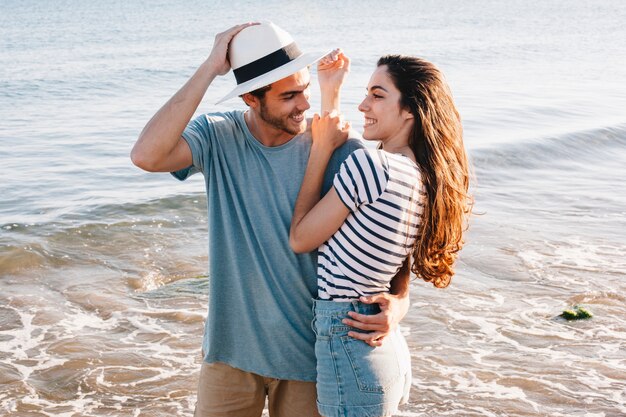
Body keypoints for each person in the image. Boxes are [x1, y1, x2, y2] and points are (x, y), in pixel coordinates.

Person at [130, 22, 411, 417]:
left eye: (305, 89)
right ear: (251, 98)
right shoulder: (216, 137)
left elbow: (393, 242)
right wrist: (211, 67)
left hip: (309, 360)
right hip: (228, 356)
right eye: (289, 96)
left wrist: (399, 302)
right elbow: (146, 155)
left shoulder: (333, 147)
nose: (304, 105)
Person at [289, 53, 472, 417]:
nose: (364, 105)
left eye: (377, 95)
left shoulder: (373, 166)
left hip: (350, 338)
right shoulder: (422, 176)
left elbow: (300, 238)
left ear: (410, 110)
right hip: (382, 348)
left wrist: (320, 150)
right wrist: (330, 91)